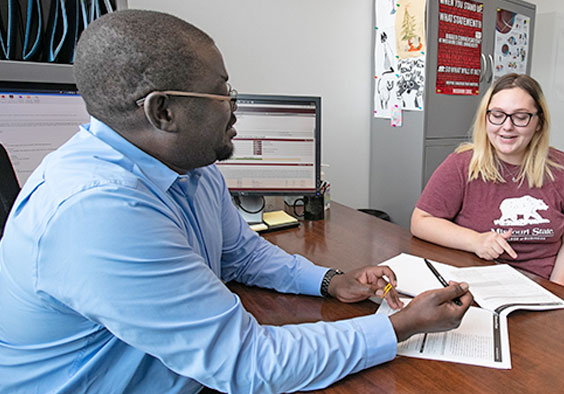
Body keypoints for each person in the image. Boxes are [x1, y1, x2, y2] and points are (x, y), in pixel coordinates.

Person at [0, 10, 473, 394]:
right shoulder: (95, 212)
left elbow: (239, 252)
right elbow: (248, 363)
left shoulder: (190, 163)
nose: (234, 105)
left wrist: (330, 281)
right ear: (162, 111)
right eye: (222, 91)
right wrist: (398, 327)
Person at [411, 73, 564, 298]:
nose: (507, 127)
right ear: (485, 118)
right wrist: (476, 241)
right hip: (479, 277)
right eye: (497, 115)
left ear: (538, 123)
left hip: (547, 278)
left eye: (521, 117)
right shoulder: (462, 164)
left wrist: (554, 292)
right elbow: (420, 222)